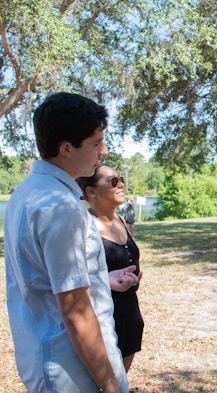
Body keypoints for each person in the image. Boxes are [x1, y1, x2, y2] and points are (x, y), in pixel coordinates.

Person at [4, 92, 128, 392]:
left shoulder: (26, 193)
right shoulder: (62, 207)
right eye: (96, 143)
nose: (103, 151)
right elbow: (75, 309)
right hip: (73, 370)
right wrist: (110, 382)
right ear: (67, 148)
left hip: (47, 357)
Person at [78, 165, 144, 373]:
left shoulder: (121, 221)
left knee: (121, 380)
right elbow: (71, 278)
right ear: (91, 191)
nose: (121, 184)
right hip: (102, 317)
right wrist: (105, 280)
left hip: (130, 313)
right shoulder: (83, 226)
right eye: (113, 181)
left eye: (120, 179)